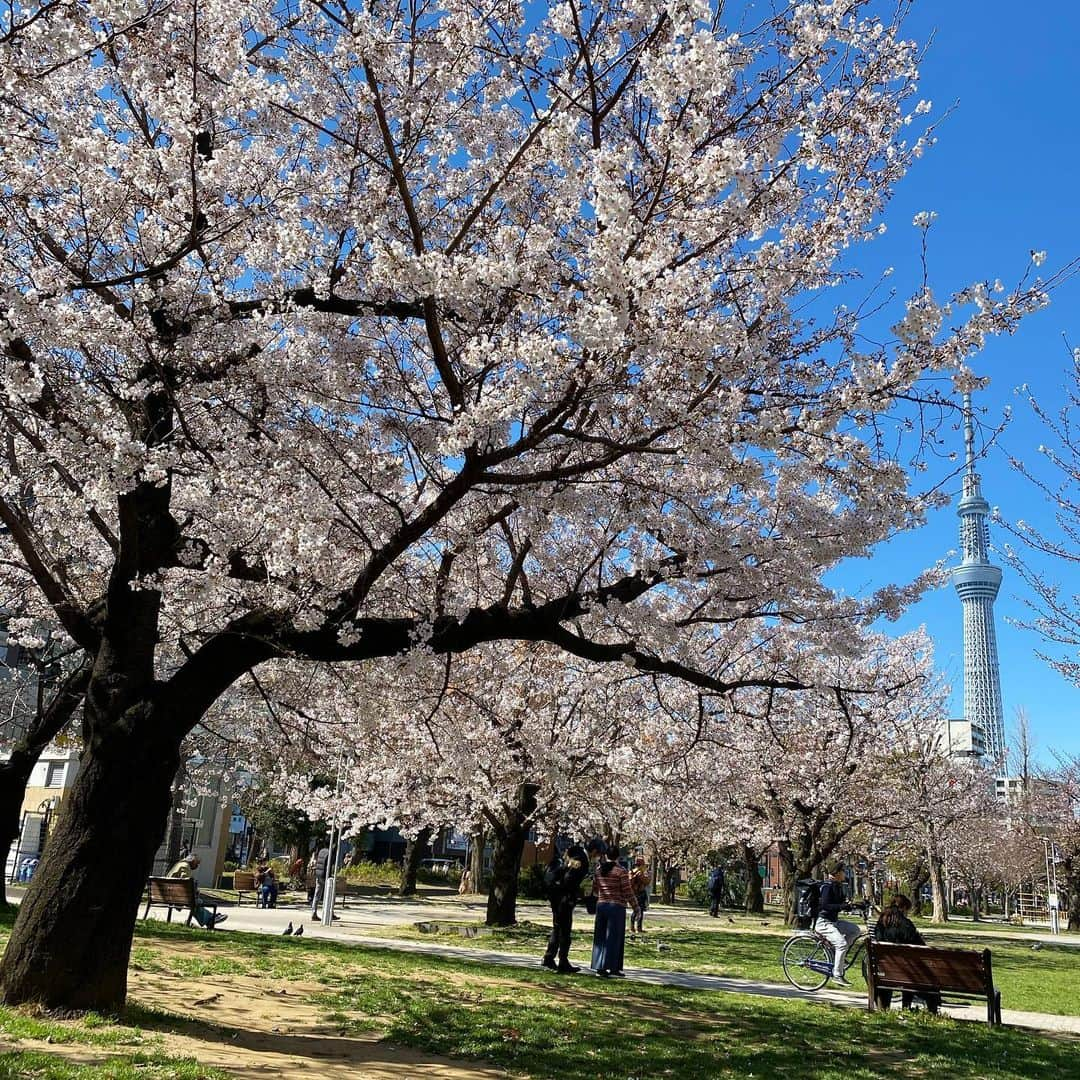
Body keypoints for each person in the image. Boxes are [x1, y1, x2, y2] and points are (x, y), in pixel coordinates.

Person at [873, 895, 940, 1013]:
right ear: (903, 908)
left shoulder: (881, 923)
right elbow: (921, 947)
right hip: (906, 971)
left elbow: (878, 939)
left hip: (884, 970)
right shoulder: (906, 924)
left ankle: (883, 1007)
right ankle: (911, 1007)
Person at [590, 844, 639, 977]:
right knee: (614, 937)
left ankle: (600, 966)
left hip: (601, 905)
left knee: (600, 936)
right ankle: (613, 967)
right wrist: (636, 906)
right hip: (616, 906)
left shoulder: (599, 870)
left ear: (606, 855)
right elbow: (627, 891)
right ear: (618, 856)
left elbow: (594, 889)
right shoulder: (621, 871)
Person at [541, 844, 589, 973]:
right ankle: (563, 961)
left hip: (555, 899)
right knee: (565, 931)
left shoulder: (563, 863)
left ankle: (549, 957)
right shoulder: (576, 864)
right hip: (565, 901)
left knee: (557, 929)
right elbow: (569, 881)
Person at [814, 861, 860, 986]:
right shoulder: (827, 886)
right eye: (843, 871)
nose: (845, 873)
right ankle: (837, 975)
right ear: (837, 873)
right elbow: (825, 905)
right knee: (841, 944)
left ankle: (838, 956)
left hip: (834, 922)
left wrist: (853, 906)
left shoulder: (838, 885)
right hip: (824, 923)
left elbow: (841, 905)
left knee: (855, 930)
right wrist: (842, 906)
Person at [166, 854, 227, 927]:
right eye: (197, 863)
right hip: (176, 896)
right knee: (196, 902)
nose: (197, 866)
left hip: (168, 894)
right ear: (192, 861)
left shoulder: (179, 864)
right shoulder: (185, 866)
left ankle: (210, 918)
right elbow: (186, 882)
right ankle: (210, 918)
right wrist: (195, 891)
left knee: (196, 901)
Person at [629, 856, 650, 933]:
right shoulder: (639, 873)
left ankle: (632, 927)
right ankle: (638, 928)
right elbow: (647, 881)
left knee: (636, 910)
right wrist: (646, 874)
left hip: (634, 893)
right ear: (641, 865)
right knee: (639, 911)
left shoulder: (632, 872)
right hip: (640, 893)